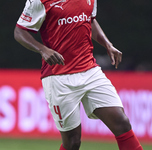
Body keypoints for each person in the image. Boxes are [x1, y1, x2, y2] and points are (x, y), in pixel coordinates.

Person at [14, 0, 143, 150]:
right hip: (59, 76)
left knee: (122, 123)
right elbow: (20, 31)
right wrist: (43, 49)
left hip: (90, 71)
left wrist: (107, 44)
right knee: (73, 142)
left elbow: (90, 20)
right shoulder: (40, 1)